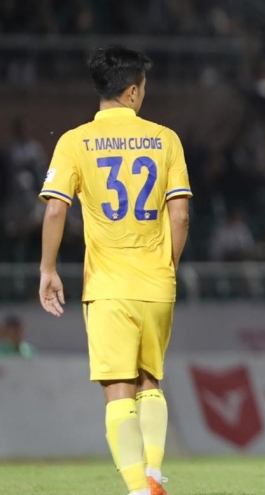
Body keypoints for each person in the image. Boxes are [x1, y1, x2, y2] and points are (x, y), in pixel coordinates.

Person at [38, 45, 191, 495]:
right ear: (131, 91)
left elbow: (55, 210)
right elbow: (180, 216)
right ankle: (154, 473)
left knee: (117, 387)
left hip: (107, 286)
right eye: (143, 86)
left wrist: (48, 269)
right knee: (150, 380)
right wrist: (167, 266)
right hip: (156, 283)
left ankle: (138, 488)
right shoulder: (165, 139)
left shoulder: (74, 141)